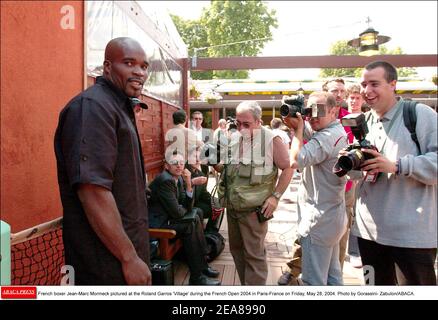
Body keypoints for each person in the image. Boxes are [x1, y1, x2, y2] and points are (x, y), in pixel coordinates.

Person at [54, 37, 151, 285]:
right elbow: (93, 190)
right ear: (107, 66)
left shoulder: (117, 106)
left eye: (144, 66)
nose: (139, 72)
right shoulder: (93, 107)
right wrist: (129, 258)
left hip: (125, 257)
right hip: (106, 267)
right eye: (129, 63)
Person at [345, 61, 437, 285]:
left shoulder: (419, 114)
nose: (367, 91)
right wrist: (352, 164)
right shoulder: (363, 121)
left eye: (374, 84)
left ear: (393, 84)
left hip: (411, 237)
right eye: (364, 84)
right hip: (368, 234)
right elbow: (362, 175)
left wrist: (397, 165)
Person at [214, 101, 293, 285]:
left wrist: (275, 197)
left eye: (246, 124)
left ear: (258, 121)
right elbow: (228, 170)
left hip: (254, 212)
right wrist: (212, 162)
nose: (241, 128)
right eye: (237, 123)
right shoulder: (235, 138)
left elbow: (288, 169)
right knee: (237, 252)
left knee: (254, 257)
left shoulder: (272, 140)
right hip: (233, 208)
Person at [283, 92, 348, 285]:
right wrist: (296, 121)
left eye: (318, 110)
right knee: (333, 277)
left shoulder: (327, 137)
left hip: (318, 221)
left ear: (334, 111)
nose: (312, 115)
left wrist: (298, 130)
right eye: (309, 110)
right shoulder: (336, 131)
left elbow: (295, 160)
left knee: (313, 282)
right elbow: (316, 139)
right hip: (332, 217)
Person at [148, 153, 221, 285]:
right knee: (190, 224)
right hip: (158, 225)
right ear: (166, 166)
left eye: (181, 163)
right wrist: (186, 208)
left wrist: (188, 183)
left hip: (169, 218)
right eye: (175, 163)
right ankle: (197, 277)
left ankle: (202, 267)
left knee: (197, 212)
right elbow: (177, 212)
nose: (179, 166)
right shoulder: (166, 180)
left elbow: (186, 203)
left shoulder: (179, 178)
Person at [323, 78, 355, 269]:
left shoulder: (349, 118)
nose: (339, 94)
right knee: (311, 229)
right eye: (335, 90)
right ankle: (295, 268)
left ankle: (337, 275)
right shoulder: (314, 117)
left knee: (342, 233)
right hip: (320, 185)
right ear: (325, 92)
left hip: (345, 186)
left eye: (342, 91)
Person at [344, 83, 367, 268]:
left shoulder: (367, 119)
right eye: (351, 97)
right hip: (343, 172)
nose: (354, 100)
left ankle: (354, 251)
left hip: (363, 173)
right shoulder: (339, 118)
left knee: (356, 213)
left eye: (358, 97)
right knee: (348, 212)